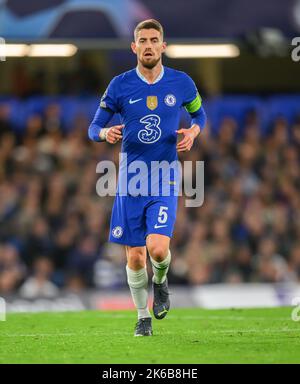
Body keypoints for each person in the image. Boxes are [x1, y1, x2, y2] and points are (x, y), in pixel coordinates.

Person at [88, 19, 206, 336]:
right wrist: (105, 132)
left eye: (155, 40)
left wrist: (193, 132)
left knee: (156, 249)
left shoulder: (181, 83)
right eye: (143, 40)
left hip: (165, 177)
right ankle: (143, 317)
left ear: (163, 46)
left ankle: (162, 279)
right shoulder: (120, 85)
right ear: (134, 46)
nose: (149, 45)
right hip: (131, 180)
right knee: (136, 257)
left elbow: (199, 114)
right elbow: (93, 127)